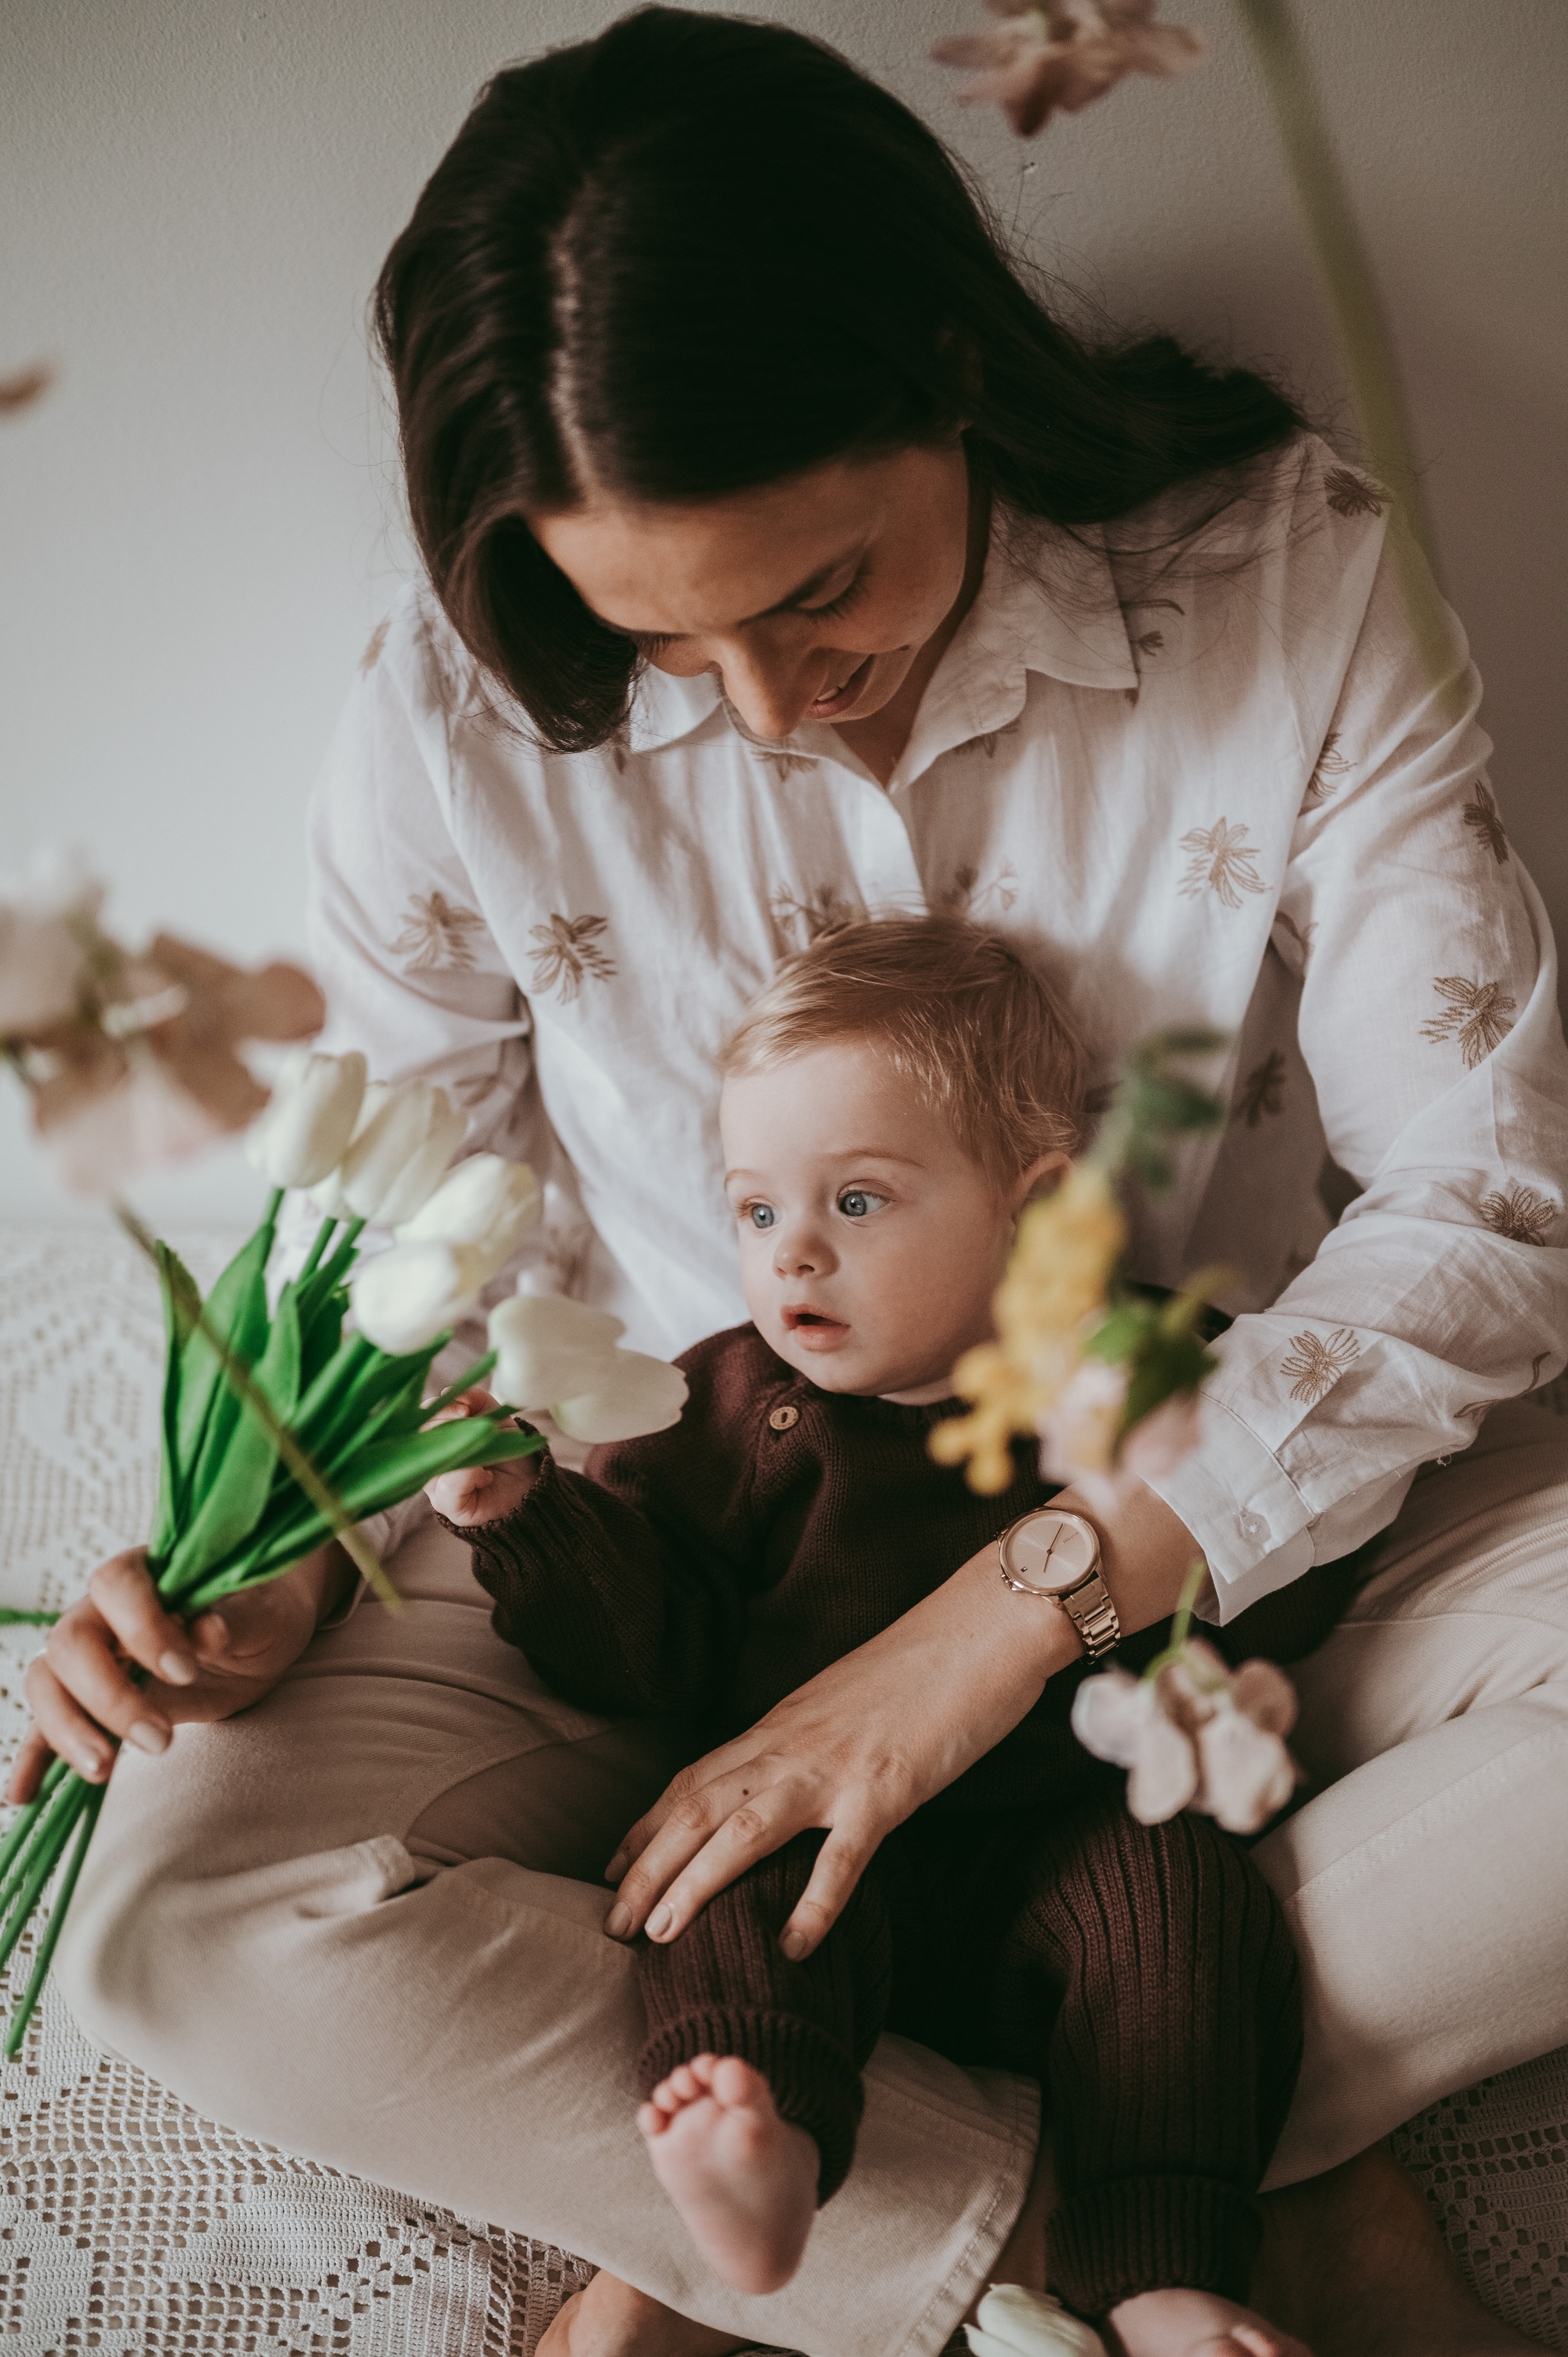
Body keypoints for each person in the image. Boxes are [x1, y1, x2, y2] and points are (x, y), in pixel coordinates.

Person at [13, 10, 1567, 2356]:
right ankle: (1149, 2197)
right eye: (660, 635)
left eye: (818, 587)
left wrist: (997, 1624)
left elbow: (1491, 1198)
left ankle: (789, 2188)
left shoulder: (1281, 583)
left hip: (1244, 1516)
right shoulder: (452, 718)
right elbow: (395, 1233)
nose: (761, 707)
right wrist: (286, 1556)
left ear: (947, 370)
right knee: (158, 1922)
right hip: (686, 1537)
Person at [425, 913, 1313, 2357]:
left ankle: (1159, 2266)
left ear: (1028, 1208)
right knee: (717, 1867)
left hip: (1066, 1844)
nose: (793, 1261)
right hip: (823, 1849)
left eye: (856, 1202)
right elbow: (649, 1647)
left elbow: (1276, 1539)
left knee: (1186, 1912)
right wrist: (526, 1514)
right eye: (756, 1211)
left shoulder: (1136, 1370)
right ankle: (757, 2142)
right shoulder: (723, 1408)